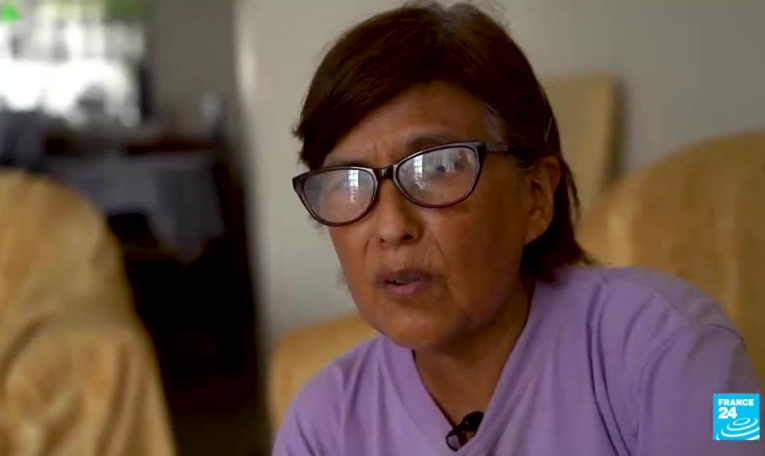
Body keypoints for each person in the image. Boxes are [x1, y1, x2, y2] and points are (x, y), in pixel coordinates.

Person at [274, 3, 763, 455]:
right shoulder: (321, 425)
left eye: (438, 167)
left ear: (534, 196)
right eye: (348, 181)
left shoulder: (686, 348)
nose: (390, 227)